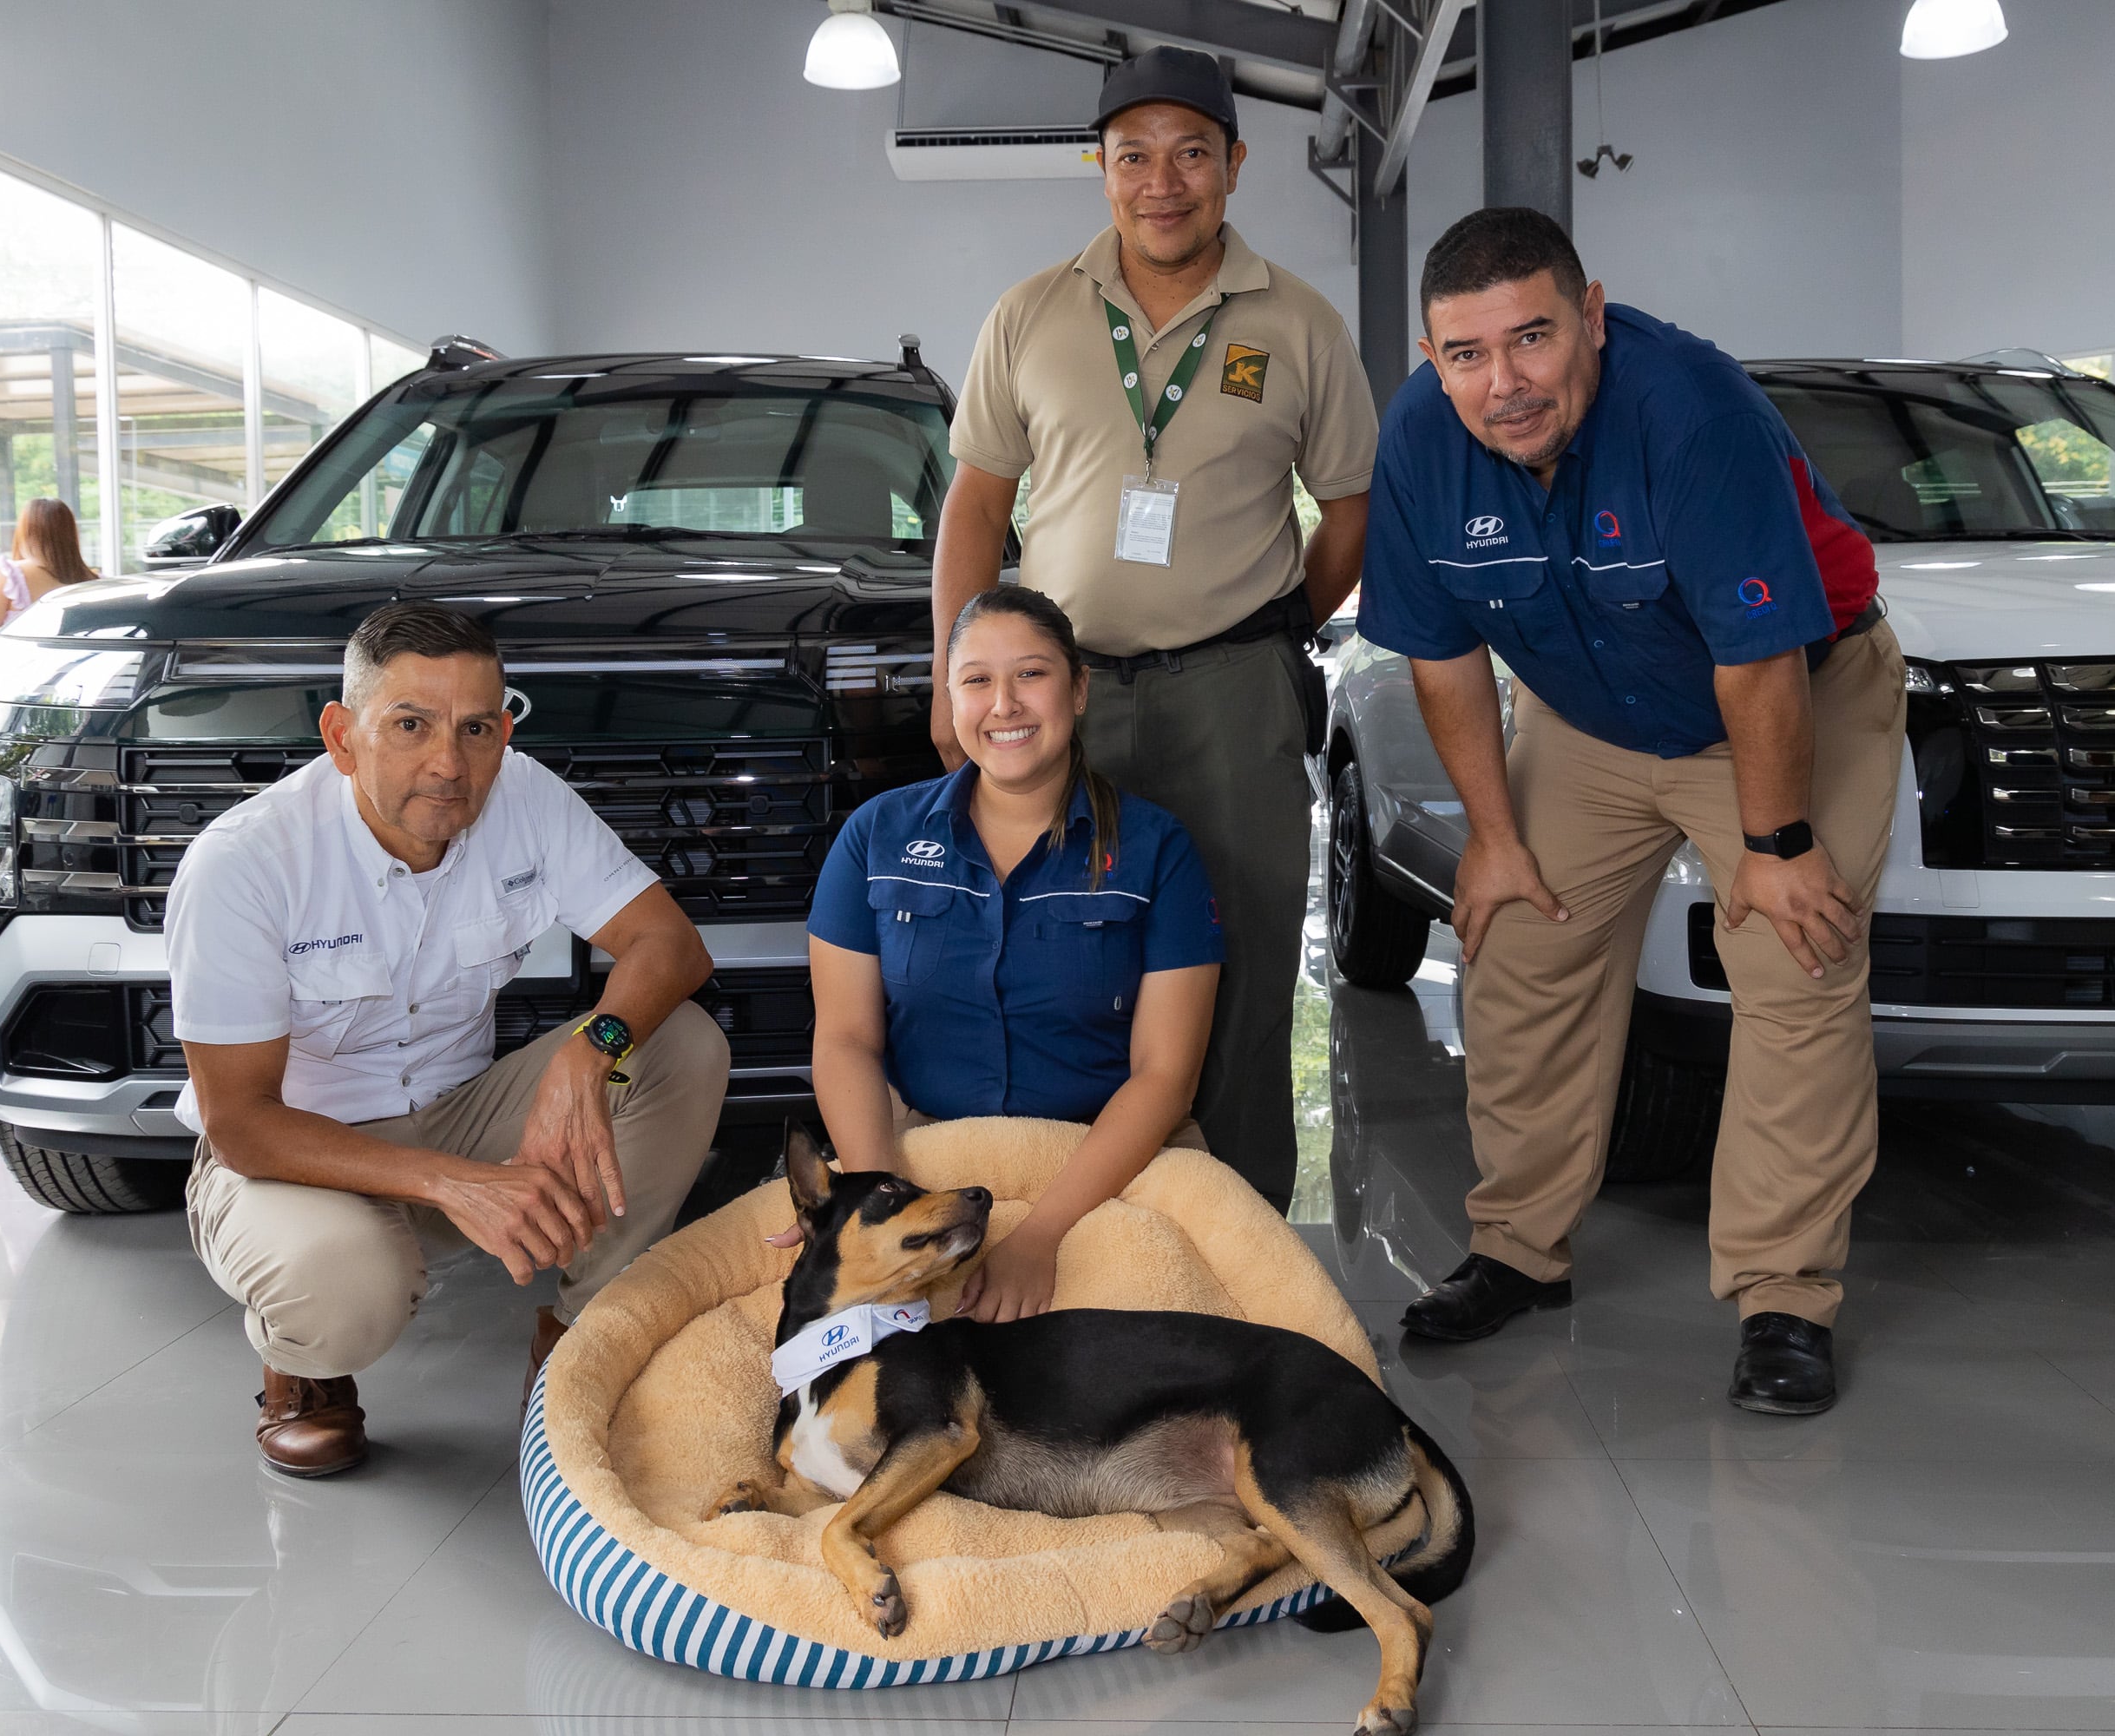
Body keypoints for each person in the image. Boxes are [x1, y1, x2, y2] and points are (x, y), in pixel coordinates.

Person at [1359, 208, 1905, 1415]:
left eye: (1534, 339)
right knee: (1520, 942)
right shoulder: (1419, 437)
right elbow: (1439, 654)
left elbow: (1758, 659)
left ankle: (1782, 1296)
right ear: (1432, 355)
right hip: (1590, 716)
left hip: (1784, 700)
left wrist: (1773, 849)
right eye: (1466, 355)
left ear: (1592, 316)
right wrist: (1495, 840)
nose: (1502, 384)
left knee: (1795, 958)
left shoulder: (1690, 410)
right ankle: (1517, 1247)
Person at [935, 45, 1378, 1213]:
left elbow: (1351, 510)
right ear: (1101, 167)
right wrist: (959, 682)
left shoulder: (1299, 323)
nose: (1162, 180)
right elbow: (977, 507)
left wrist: (1279, 633)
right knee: (1053, 955)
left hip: (1233, 695)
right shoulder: (1031, 312)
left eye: (1191, 152)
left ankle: (1241, 1238)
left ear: (1234, 164)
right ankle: (1064, 1223)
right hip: (1054, 698)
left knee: (1239, 960)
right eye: (1133, 154)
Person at [170, 602, 732, 1476]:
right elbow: (240, 1121)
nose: (450, 761)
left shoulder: (525, 795)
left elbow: (672, 946)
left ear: (505, 731)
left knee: (678, 1045)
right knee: (345, 1286)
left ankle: (579, 1344)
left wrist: (593, 1050)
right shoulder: (244, 862)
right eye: (411, 725)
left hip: (458, 1112)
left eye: (476, 727)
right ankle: (307, 1368)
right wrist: (451, 1182)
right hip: (294, 1155)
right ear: (342, 735)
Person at [804, 585, 1226, 1321]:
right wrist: (882, 1205)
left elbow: (1165, 1078)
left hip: (1114, 1155)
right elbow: (844, 1040)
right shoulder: (875, 837)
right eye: (976, 681)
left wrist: (1040, 1237)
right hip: (929, 1150)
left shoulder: (1159, 850)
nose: (1004, 704)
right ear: (950, 698)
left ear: (1079, 688)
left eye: (1031, 674)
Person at [0, 496, 100, 672]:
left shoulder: (8, 578)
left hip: (15, 685)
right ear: (71, 534)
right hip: (76, 686)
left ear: (24, 532)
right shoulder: (96, 584)